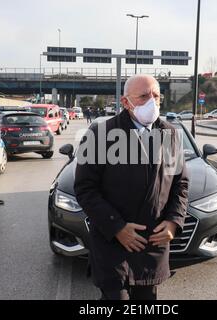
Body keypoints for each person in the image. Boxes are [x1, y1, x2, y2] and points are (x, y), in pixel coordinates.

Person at [74, 74, 189, 300]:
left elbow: (180, 184)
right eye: (144, 96)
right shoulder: (100, 134)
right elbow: (85, 189)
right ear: (125, 102)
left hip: (151, 245)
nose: (152, 102)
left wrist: (174, 223)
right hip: (112, 244)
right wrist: (117, 227)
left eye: (156, 96)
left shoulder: (169, 134)